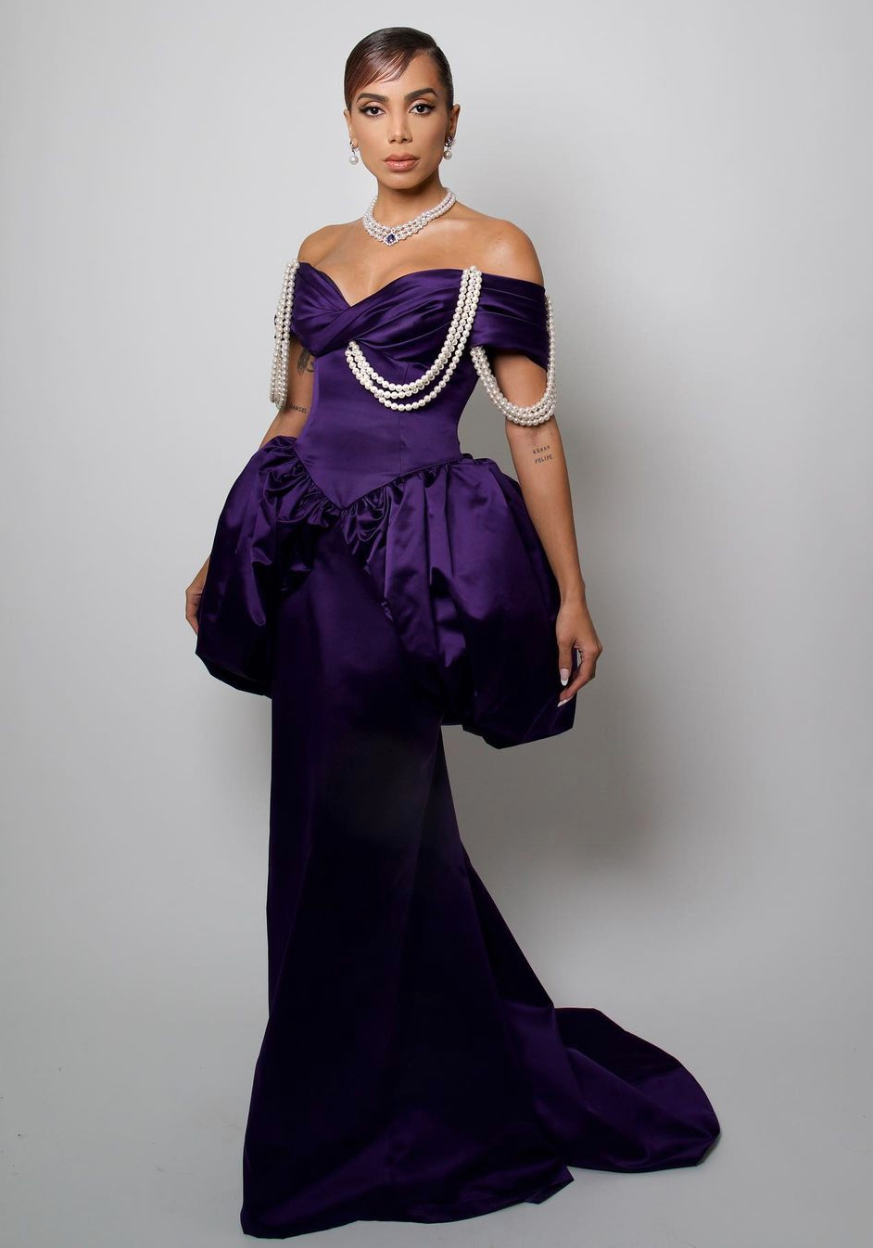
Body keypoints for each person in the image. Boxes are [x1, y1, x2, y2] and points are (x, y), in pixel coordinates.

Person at [185, 25, 721, 1239]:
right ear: (347, 123)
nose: (399, 130)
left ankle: (401, 1118)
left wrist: (571, 592)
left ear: (451, 119)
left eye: (420, 106)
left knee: (377, 824)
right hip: (306, 558)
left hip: (402, 571)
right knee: (322, 825)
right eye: (376, 109)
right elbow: (293, 416)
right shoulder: (314, 252)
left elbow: (532, 432)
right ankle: (346, 1103)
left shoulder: (493, 248)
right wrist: (224, 545)